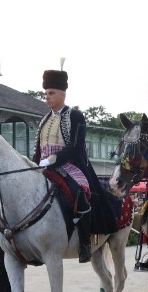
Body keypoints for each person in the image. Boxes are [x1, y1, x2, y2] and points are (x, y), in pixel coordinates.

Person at [32, 65, 118, 262]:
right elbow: (38, 148)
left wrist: (53, 160)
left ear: (62, 94)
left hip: (70, 165)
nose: (47, 97)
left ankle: (85, 244)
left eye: (51, 93)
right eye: (45, 93)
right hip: (44, 166)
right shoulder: (43, 119)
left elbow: (76, 147)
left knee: (80, 190)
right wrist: (36, 164)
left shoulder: (75, 116)